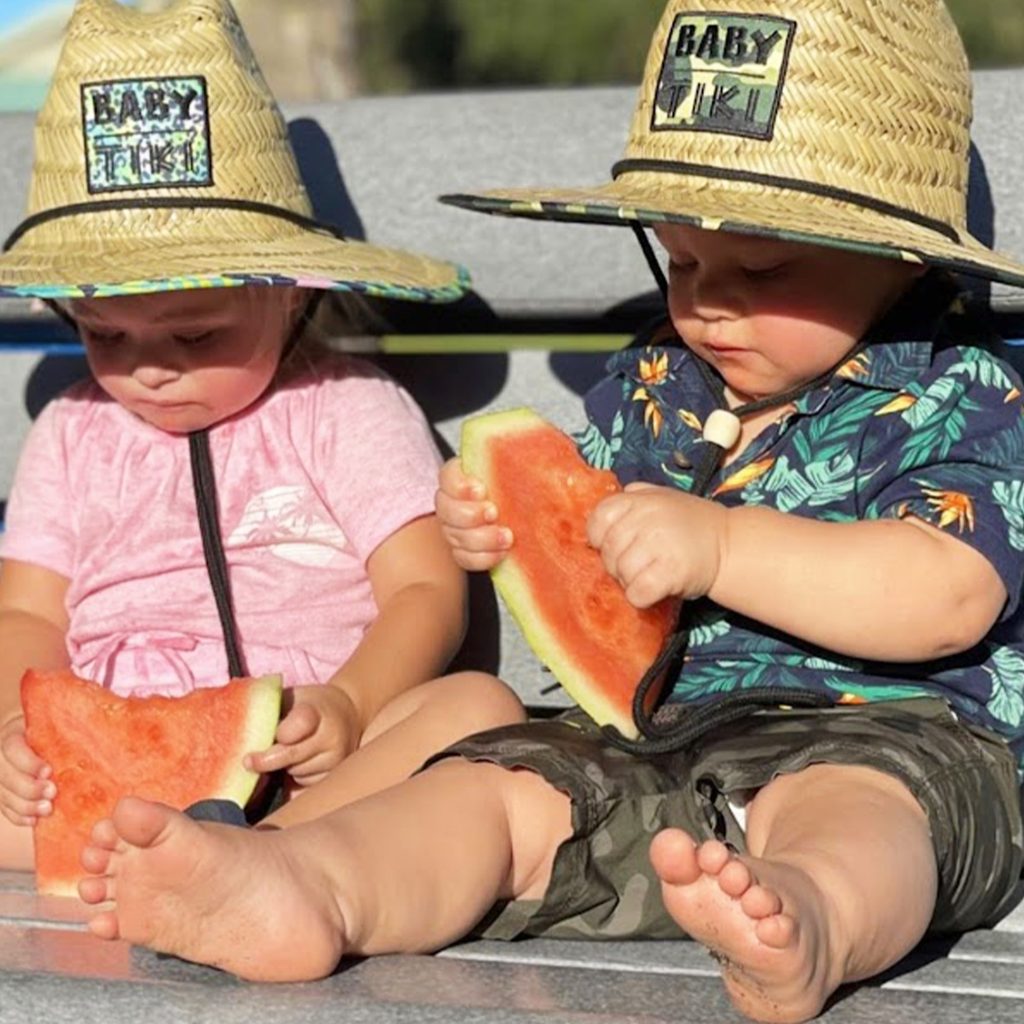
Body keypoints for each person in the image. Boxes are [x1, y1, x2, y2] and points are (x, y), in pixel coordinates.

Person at [76, 1, 1024, 1021]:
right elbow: (575, 529)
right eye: (684, 263)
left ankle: (810, 920)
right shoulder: (662, 377)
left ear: (903, 256)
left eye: (762, 270)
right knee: (496, 789)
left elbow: (946, 594)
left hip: (889, 729)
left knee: (856, 808)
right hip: (639, 737)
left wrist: (720, 546)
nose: (705, 303)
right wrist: (492, 528)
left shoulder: (960, 387)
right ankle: (315, 888)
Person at [0, 0, 525, 873]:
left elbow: (424, 589)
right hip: (101, 773)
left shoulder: (345, 405)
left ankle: (258, 866)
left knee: (477, 708)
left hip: (316, 775)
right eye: (103, 335)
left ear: (290, 293)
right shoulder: (73, 428)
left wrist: (355, 705)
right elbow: (25, 611)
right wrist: (19, 726)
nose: (148, 370)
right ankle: (167, 865)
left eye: (197, 336)